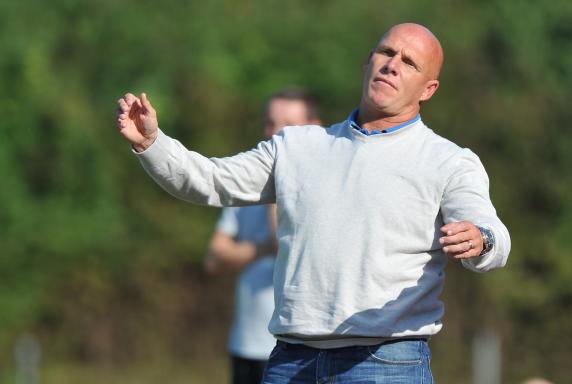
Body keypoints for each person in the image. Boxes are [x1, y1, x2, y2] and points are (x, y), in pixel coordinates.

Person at [116, 23, 511, 383]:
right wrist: (153, 144)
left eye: (409, 62)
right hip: (291, 361)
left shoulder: (448, 160)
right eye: (386, 52)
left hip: (387, 361)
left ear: (428, 89)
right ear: (367, 61)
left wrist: (482, 239)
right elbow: (210, 181)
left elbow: (493, 234)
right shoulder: (298, 145)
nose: (392, 65)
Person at [203, 89, 321, 384]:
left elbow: (281, 236)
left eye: (287, 124)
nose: (275, 133)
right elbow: (214, 259)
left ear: (315, 127)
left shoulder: (323, 189)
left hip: (300, 349)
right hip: (246, 344)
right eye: (270, 123)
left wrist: (257, 245)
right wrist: (262, 250)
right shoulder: (246, 189)